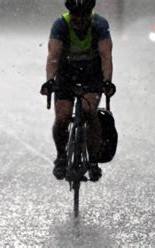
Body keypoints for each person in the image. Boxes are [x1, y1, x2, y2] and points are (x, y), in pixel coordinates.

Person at [40, 0, 116, 182]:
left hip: (92, 75)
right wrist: (50, 81)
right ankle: (61, 156)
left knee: (90, 111)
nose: (80, 20)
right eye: (76, 16)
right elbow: (53, 56)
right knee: (62, 117)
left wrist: (107, 81)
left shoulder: (99, 24)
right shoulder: (61, 25)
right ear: (70, 14)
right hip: (66, 74)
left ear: (90, 14)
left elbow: (106, 56)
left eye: (85, 16)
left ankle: (93, 160)